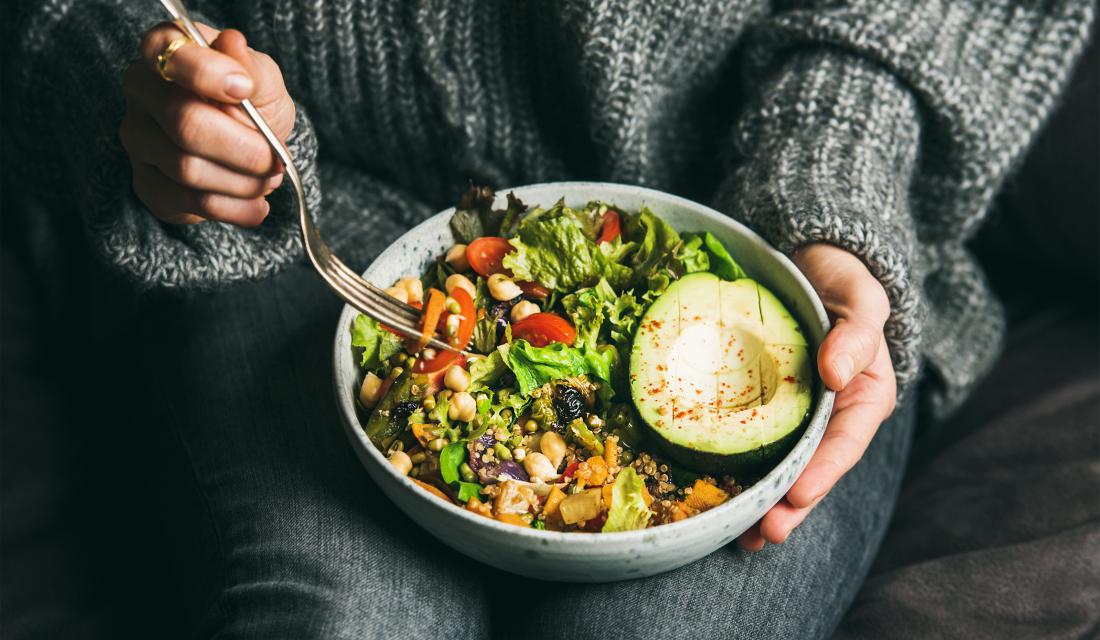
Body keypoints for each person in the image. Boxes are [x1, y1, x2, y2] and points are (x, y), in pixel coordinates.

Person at [2, 1, 1093, 637]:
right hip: (288, 232)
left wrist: (830, 169)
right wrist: (145, 79)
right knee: (345, 616)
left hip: (751, 225)